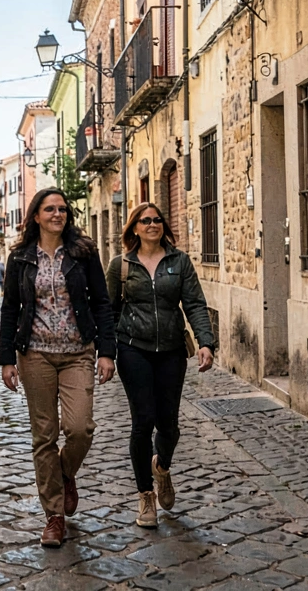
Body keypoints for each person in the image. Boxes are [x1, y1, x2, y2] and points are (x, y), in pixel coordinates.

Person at [0, 188, 115, 548]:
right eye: (49, 209)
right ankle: (53, 517)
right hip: (34, 355)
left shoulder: (83, 253)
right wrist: (6, 359)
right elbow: (9, 308)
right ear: (36, 215)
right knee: (44, 436)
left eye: (62, 209)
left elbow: (102, 303)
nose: (57, 214)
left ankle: (64, 474)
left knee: (79, 428)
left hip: (78, 351)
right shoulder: (20, 256)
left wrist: (106, 352)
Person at [106, 202, 216, 528]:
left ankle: (162, 468)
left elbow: (194, 303)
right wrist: (107, 353)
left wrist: (206, 341)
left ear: (163, 225)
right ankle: (145, 497)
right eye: (145, 220)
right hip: (132, 350)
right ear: (134, 228)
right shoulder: (121, 265)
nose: (152, 224)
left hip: (170, 350)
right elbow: (109, 312)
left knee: (168, 424)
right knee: (143, 421)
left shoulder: (179, 261)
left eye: (157, 219)